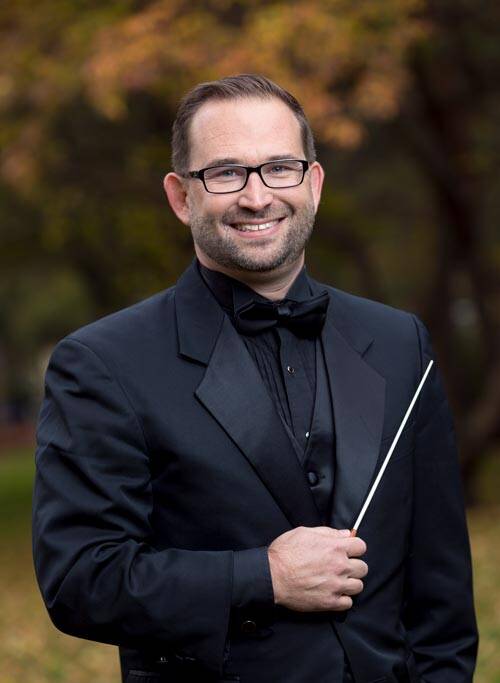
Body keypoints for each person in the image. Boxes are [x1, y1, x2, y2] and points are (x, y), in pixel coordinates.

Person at [32, 74, 477, 683]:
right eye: (226, 173)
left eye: (279, 168)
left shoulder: (401, 343)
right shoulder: (103, 362)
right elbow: (80, 580)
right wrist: (264, 577)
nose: (257, 196)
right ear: (181, 196)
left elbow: (442, 595)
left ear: (314, 184)